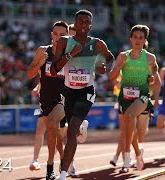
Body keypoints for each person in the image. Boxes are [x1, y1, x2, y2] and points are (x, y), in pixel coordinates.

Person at [50, 10, 115, 180]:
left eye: (87, 22)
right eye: (81, 22)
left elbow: (109, 58)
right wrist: (71, 54)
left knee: (71, 132)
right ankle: (81, 128)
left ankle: (63, 174)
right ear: (75, 23)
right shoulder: (65, 42)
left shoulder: (97, 44)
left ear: (90, 25)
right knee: (73, 131)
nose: (84, 25)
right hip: (68, 91)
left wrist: (102, 66)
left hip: (86, 91)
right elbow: (54, 69)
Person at [27, 21, 89, 179]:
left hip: (64, 98)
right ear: (51, 35)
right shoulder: (42, 51)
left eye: (62, 35)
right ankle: (64, 156)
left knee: (50, 124)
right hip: (46, 100)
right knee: (55, 132)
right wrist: (39, 64)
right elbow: (29, 74)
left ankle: (49, 167)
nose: (57, 37)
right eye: (55, 34)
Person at [109, 25, 161, 171]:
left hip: (143, 96)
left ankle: (127, 156)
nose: (138, 40)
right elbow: (112, 77)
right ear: (130, 39)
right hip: (125, 97)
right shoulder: (122, 56)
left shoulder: (150, 58)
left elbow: (156, 78)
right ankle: (138, 153)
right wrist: (120, 65)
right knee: (127, 128)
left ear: (145, 40)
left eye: (141, 38)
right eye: (135, 37)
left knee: (129, 116)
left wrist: (151, 80)